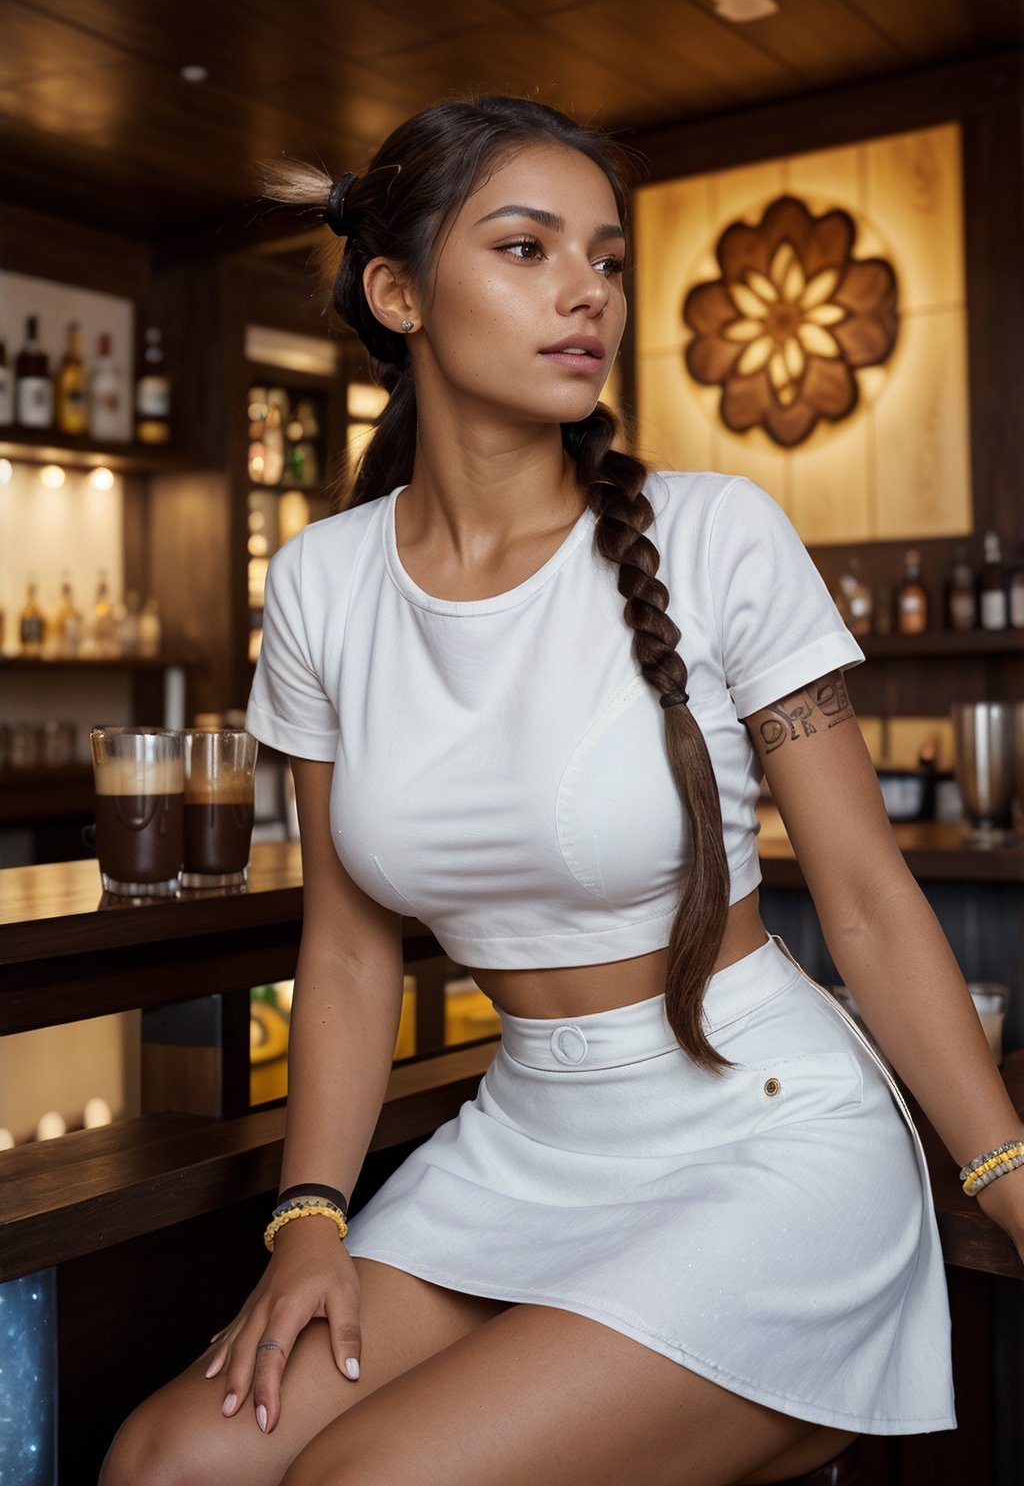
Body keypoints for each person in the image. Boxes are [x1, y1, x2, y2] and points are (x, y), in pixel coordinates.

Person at [102, 95, 1024, 1486]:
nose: (584, 290)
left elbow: (871, 905)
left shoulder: (718, 537)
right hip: (525, 1146)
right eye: (526, 249)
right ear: (399, 291)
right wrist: (310, 1215)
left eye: (602, 257)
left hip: (769, 1133)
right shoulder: (321, 583)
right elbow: (347, 952)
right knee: (168, 1462)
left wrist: (1007, 1178)